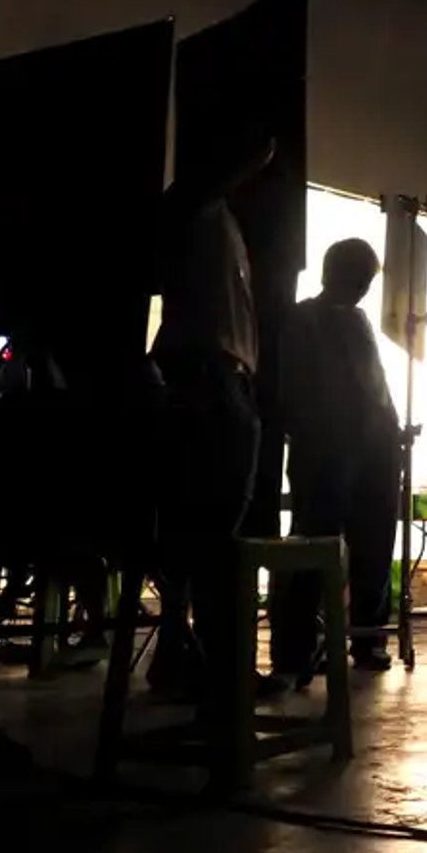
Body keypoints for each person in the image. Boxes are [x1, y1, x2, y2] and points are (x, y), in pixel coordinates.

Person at [149, 131, 275, 699]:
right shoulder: (193, 204)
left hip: (216, 378)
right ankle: (221, 670)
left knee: (196, 532)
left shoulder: (217, 217)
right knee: (214, 535)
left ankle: (184, 653)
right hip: (208, 378)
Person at [273, 238, 401, 676]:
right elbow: (298, 387)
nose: (364, 289)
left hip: (372, 450)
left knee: (374, 546)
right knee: (315, 548)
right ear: (334, 274)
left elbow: (376, 383)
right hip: (326, 450)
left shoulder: (359, 320)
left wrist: (392, 429)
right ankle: (298, 647)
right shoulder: (303, 318)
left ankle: (367, 640)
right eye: (360, 278)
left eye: (367, 280)